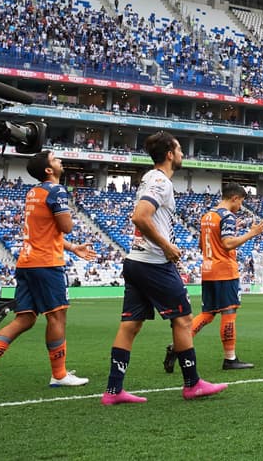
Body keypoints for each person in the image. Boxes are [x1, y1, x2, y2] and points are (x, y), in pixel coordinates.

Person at [102, 132, 227, 404]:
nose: (183, 154)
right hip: (154, 263)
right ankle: (192, 384)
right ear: (170, 153)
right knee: (182, 319)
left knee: (130, 325)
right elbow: (140, 217)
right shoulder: (160, 181)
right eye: (180, 149)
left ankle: (113, 391)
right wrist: (166, 246)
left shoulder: (149, 178)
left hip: (136, 261)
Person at [0, 150, 97, 395]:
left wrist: (72, 248)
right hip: (46, 264)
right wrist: (66, 220)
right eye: (56, 159)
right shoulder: (56, 191)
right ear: (49, 170)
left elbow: (44, 230)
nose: (60, 162)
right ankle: (59, 375)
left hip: (27, 262)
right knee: (57, 317)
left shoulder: (32, 192)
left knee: (24, 319)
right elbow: (66, 226)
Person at [167, 183, 263, 372]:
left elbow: (200, 244)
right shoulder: (227, 216)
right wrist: (251, 233)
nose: (241, 207)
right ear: (234, 198)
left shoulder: (207, 216)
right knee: (229, 312)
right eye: (241, 202)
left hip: (208, 269)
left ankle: (176, 346)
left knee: (207, 314)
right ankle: (230, 358)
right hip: (224, 271)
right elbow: (228, 243)